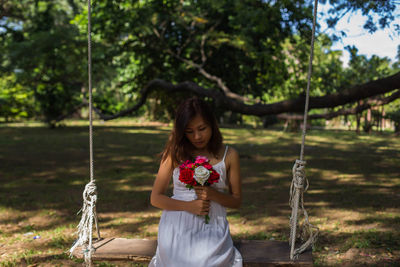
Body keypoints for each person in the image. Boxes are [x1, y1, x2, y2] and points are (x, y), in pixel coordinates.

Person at [149, 96, 243, 267]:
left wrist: (213, 194)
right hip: (176, 226)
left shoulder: (229, 155)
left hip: (212, 224)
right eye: (189, 131)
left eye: (202, 128)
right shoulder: (175, 153)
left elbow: (236, 200)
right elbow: (155, 198)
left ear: (212, 125)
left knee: (205, 262)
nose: (197, 136)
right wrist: (188, 206)